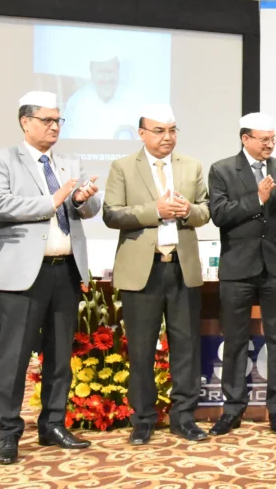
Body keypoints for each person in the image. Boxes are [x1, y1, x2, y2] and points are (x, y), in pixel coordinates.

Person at [0, 91, 101, 465]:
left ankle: (53, 425)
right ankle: (8, 434)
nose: (54, 127)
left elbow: (89, 209)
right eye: (47, 120)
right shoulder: (1, 159)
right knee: (13, 357)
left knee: (59, 355)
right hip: (21, 275)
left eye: (58, 120)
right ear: (25, 122)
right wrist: (52, 201)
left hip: (65, 270)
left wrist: (82, 198)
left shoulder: (68, 162)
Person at [102, 104, 210, 445]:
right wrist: (156, 211)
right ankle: (143, 419)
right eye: (160, 131)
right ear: (142, 133)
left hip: (181, 267)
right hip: (142, 270)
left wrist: (188, 211)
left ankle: (184, 417)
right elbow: (111, 214)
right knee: (141, 348)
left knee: (186, 346)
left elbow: (206, 211)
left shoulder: (191, 166)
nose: (168, 137)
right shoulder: (122, 167)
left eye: (172, 130)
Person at [207, 112, 276, 436]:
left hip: (275, 268)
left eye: (273, 139)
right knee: (235, 342)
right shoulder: (222, 170)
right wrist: (258, 199)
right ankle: (232, 410)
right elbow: (219, 215)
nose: (270, 145)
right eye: (264, 139)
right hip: (237, 268)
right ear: (245, 138)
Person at [63, 56, 138, 140]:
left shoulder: (134, 102)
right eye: (101, 72)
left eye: (111, 71)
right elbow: (67, 144)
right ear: (92, 72)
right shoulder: (77, 103)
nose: (107, 78)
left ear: (118, 72)